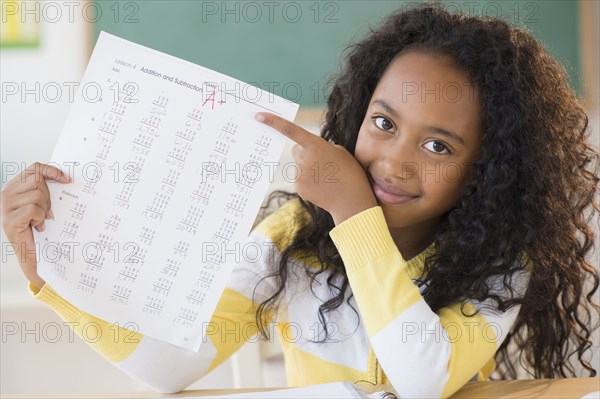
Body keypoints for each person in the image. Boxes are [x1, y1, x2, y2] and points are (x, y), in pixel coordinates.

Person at [2, 3, 599, 398]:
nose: (394, 161)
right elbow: (169, 369)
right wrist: (51, 276)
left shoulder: (501, 261)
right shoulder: (291, 234)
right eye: (384, 123)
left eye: (439, 145)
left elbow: (422, 381)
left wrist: (355, 216)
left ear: (486, 170)